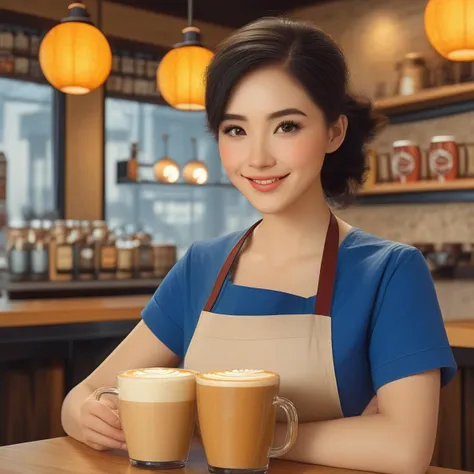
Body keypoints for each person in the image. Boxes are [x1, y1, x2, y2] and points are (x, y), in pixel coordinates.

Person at [61, 17, 457, 474]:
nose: (258, 157)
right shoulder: (200, 267)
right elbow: (84, 396)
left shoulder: (390, 273)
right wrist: (83, 417)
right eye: (236, 130)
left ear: (334, 132)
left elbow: (404, 450)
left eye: (286, 126)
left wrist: (226, 429)